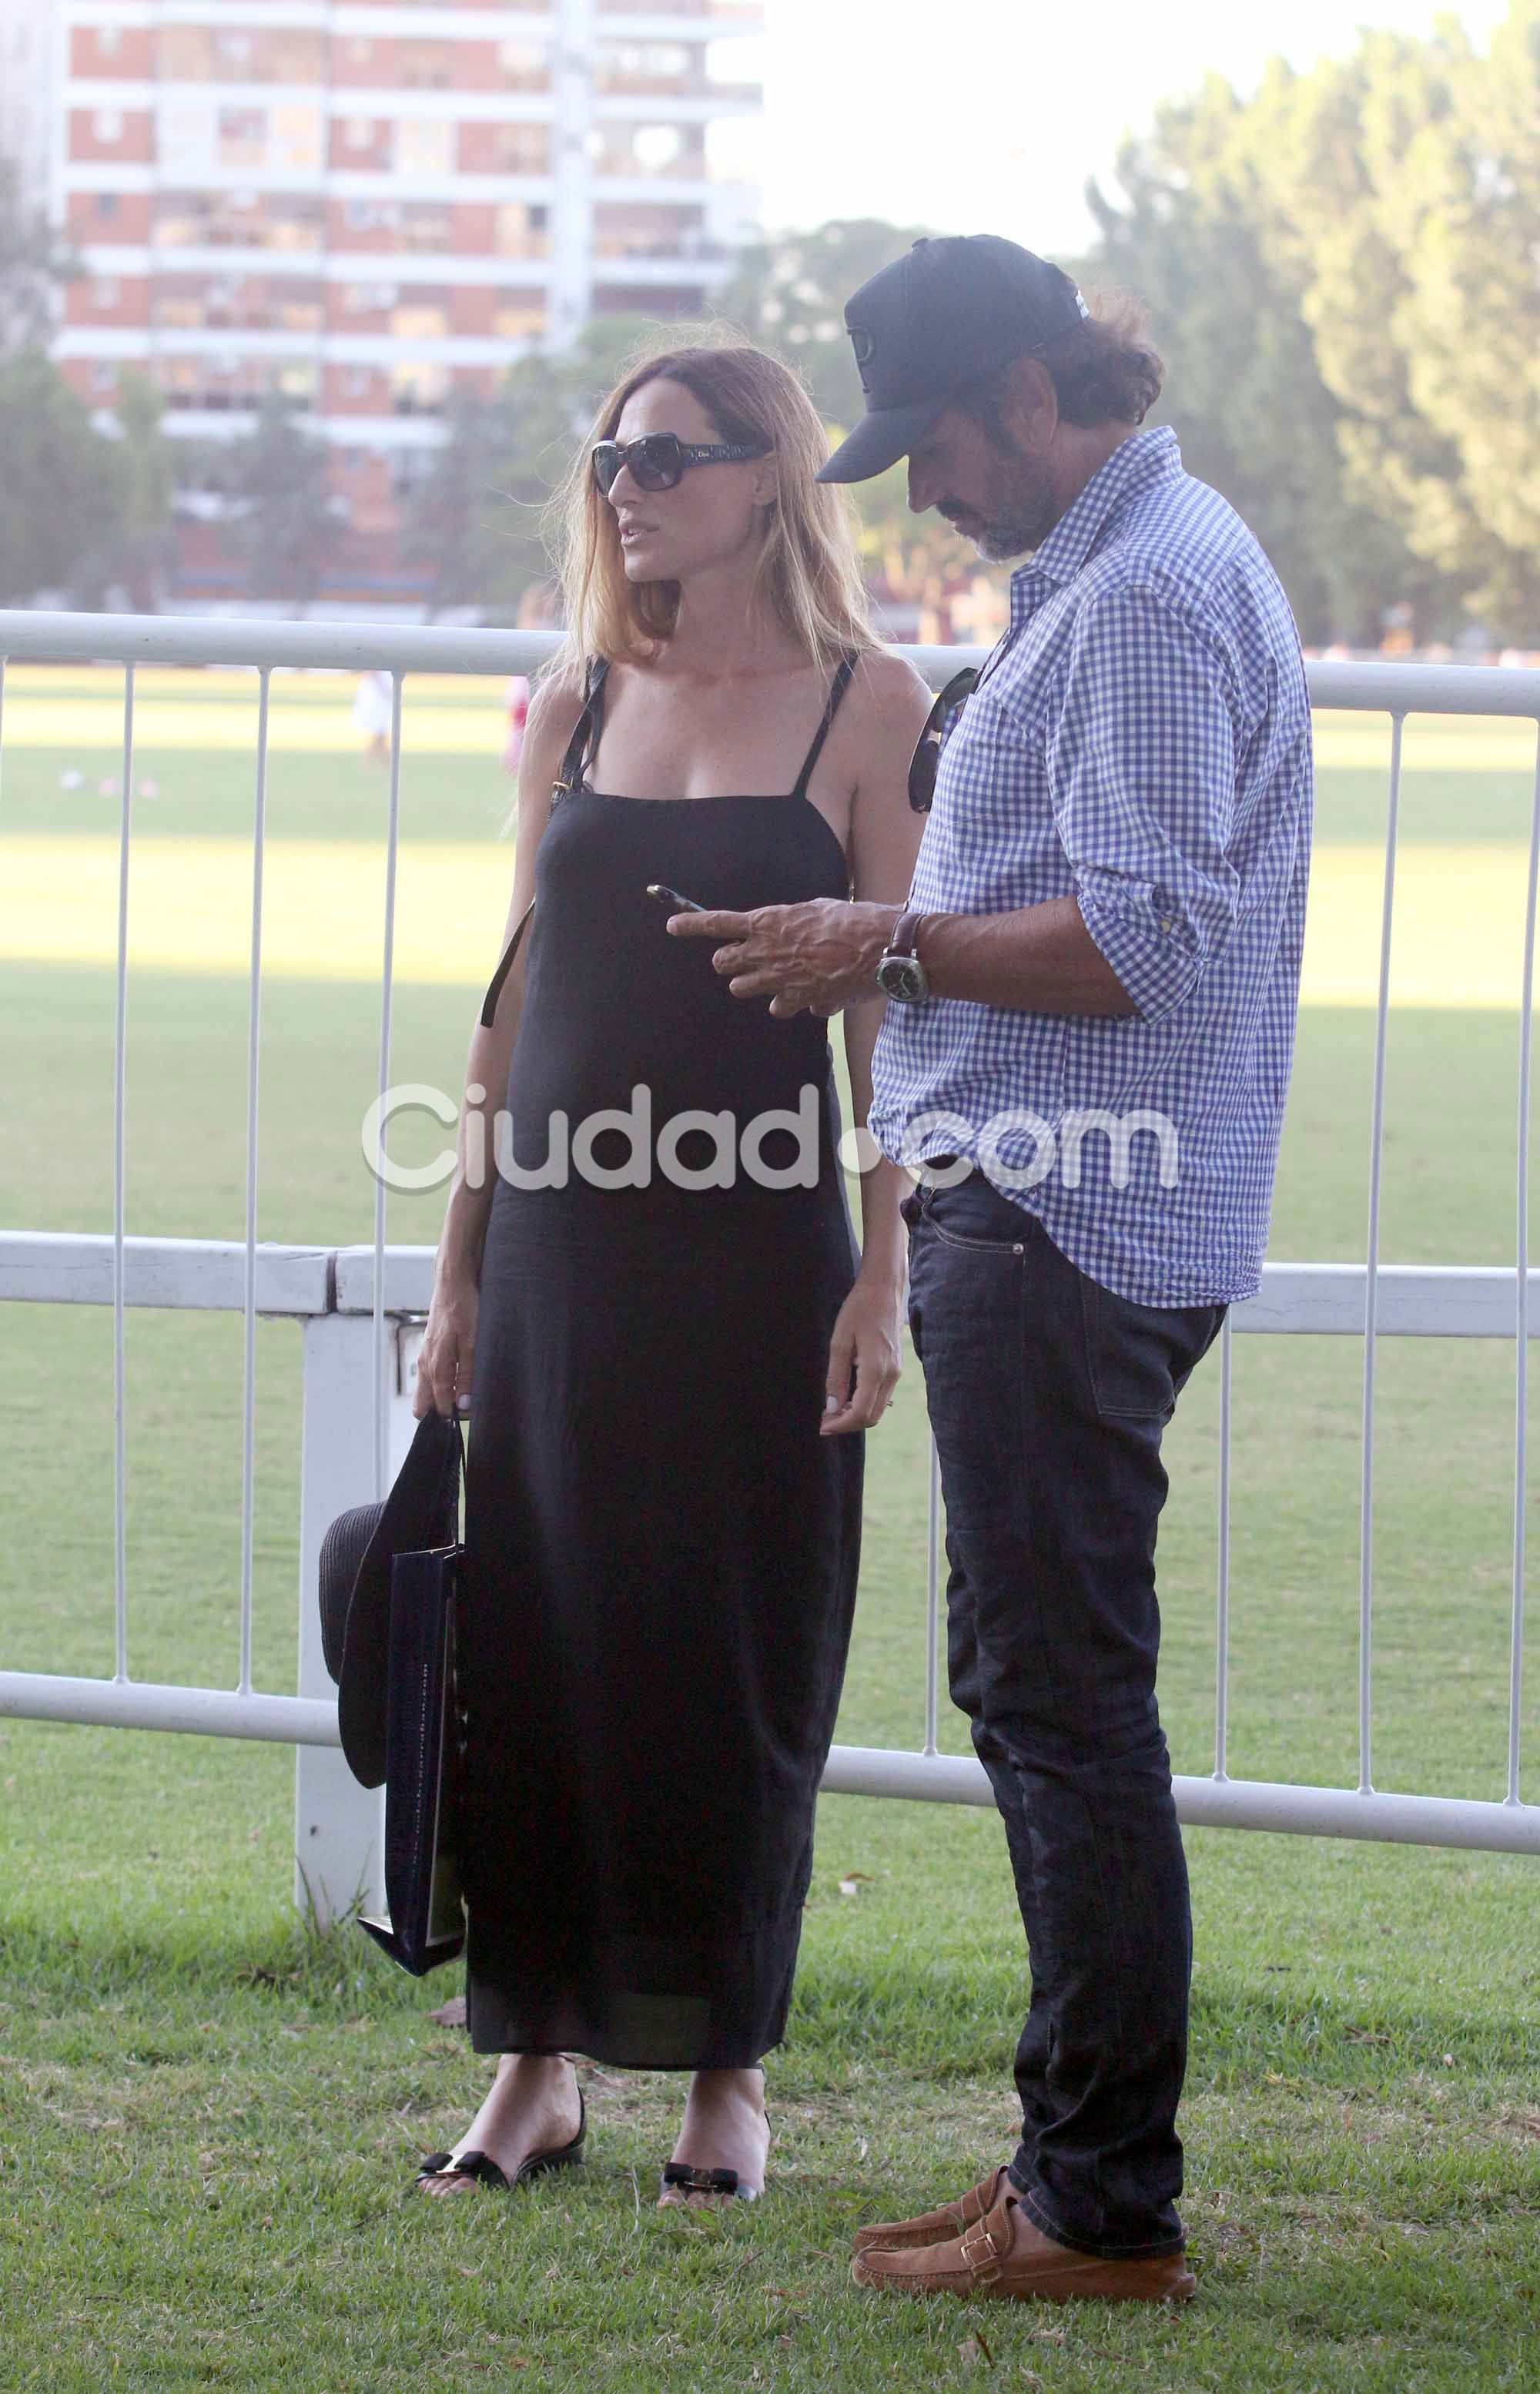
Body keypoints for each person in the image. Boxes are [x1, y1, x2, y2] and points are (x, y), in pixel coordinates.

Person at [671, 236, 1313, 2301]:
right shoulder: (1139, 566)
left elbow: (1139, 948)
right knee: (1050, 1697)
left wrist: (888, 942)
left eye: (935, 444)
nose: (926, 488)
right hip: (1066, 1211)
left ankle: (1101, 2199)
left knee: (1057, 1707)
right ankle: (1068, 2155)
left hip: (1062, 1220)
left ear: (1034, 392)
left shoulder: (1137, 598)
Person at [408, 341, 933, 2208]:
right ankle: (533, 2061)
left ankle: (726, 2073)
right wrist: (457, 1270)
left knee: (729, 1651)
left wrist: (884, 1279)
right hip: (558, 1240)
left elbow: (895, 1033)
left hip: (756, 1255)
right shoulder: (566, 700)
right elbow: (516, 994)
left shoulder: (871, 710)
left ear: (773, 475)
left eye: (672, 454)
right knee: (536, 1645)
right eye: (612, 454)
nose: (629, 483)